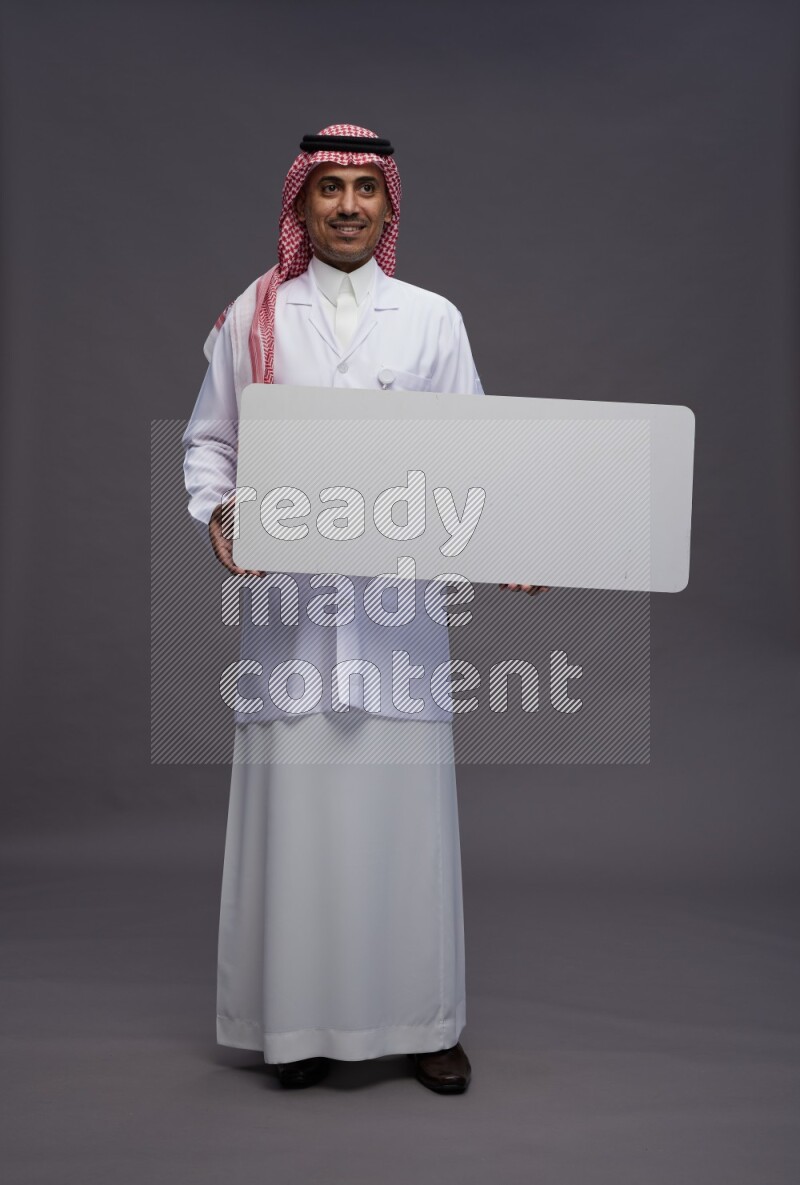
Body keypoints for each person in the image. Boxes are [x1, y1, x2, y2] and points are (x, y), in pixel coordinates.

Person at [182, 124, 546, 1094]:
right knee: (295, 828)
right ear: (299, 205)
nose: (346, 205)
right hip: (291, 622)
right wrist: (218, 509)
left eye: (364, 190)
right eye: (328, 189)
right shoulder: (255, 315)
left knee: (403, 826)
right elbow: (209, 444)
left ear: (389, 207)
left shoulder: (431, 319)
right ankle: (293, 1030)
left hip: (395, 624)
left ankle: (426, 1022)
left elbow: (474, 456)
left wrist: (510, 539)